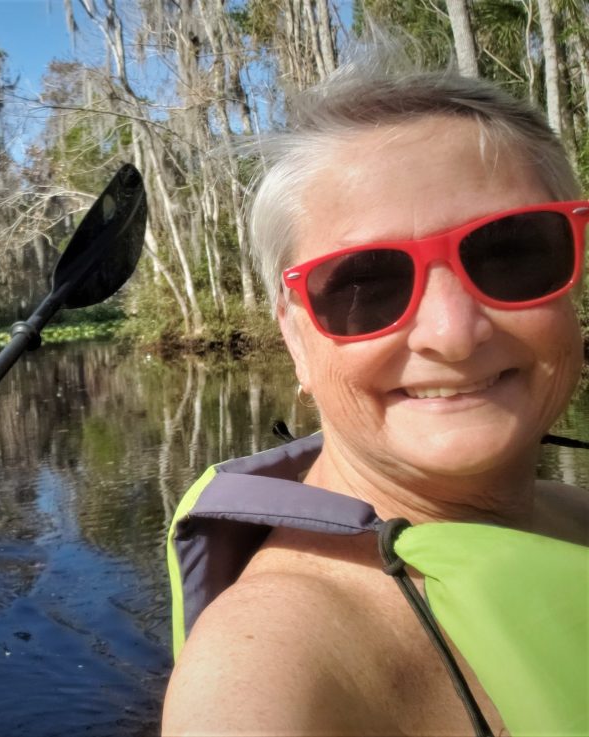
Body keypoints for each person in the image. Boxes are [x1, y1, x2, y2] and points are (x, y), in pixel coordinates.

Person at [161, 59, 588, 736]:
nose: (453, 333)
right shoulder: (273, 662)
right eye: (367, 285)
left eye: (511, 253)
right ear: (296, 339)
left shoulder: (574, 511)